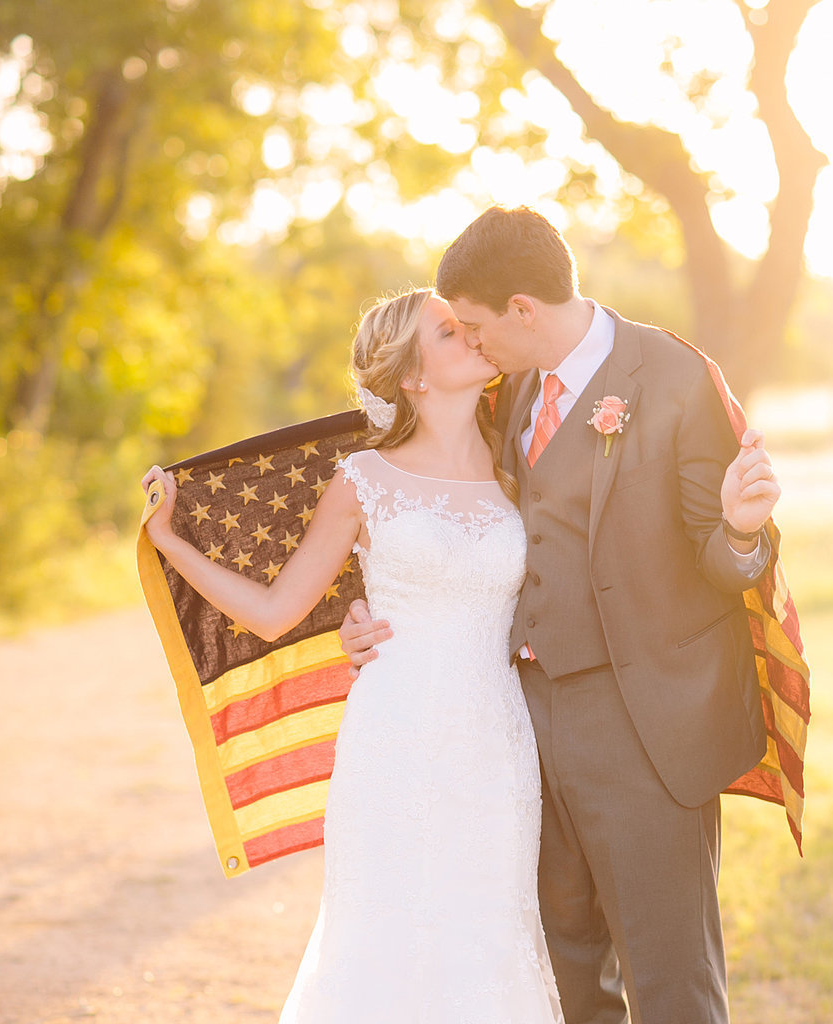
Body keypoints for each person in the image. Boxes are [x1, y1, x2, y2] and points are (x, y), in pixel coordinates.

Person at [341, 206, 781, 1024]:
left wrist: (743, 529)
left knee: (671, 983)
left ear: (522, 310)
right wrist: (362, 602)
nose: (470, 346)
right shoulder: (506, 396)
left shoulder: (674, 377)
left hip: (646, 732)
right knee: (563, 983)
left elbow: (727, 564)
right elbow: (411, 486)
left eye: (474, 328)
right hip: (521, 735)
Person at [141, 288, 564, 1024]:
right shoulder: (363, 479)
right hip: (395, 738)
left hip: (498, 745)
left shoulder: (517, 469)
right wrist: (171, 542)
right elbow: (276, 615)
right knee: (385, 934)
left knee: (491, 931)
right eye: (447, 330)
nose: (471, 334)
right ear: (412, 376)